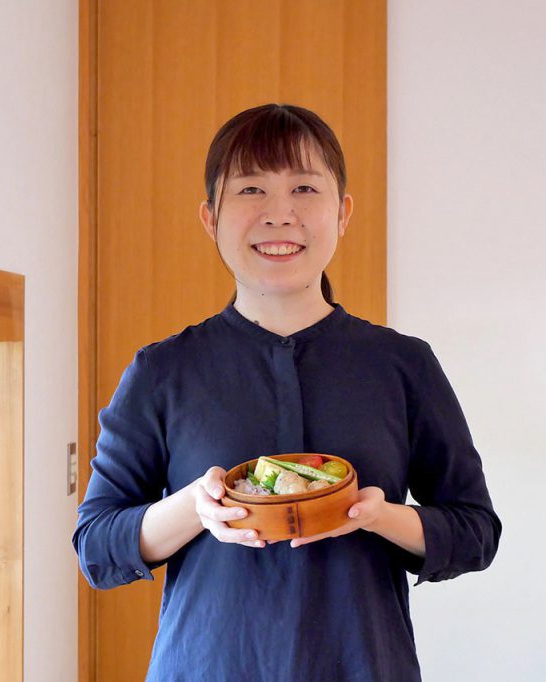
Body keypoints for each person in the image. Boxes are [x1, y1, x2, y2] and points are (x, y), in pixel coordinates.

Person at [72, 103, 502, 681]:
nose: (279, 214)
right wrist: (198, 507)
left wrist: (378, 516)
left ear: (343, 212)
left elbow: (475, 532)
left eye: (304, 188)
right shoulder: (163, 370)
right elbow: (97, 547)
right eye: (251, 189)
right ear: (210, 217)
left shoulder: (403, 364)